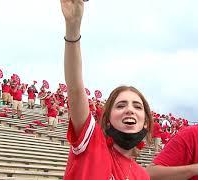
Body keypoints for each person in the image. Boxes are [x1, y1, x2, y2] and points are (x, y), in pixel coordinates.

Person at [61, 0, 153, 179]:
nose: (129, 110)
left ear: (146, 122)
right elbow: (75, 89)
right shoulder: (92, 146)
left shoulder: (142, 175)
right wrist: (73, 27)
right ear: (108, 120)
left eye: (137, 106)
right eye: (120, 106)